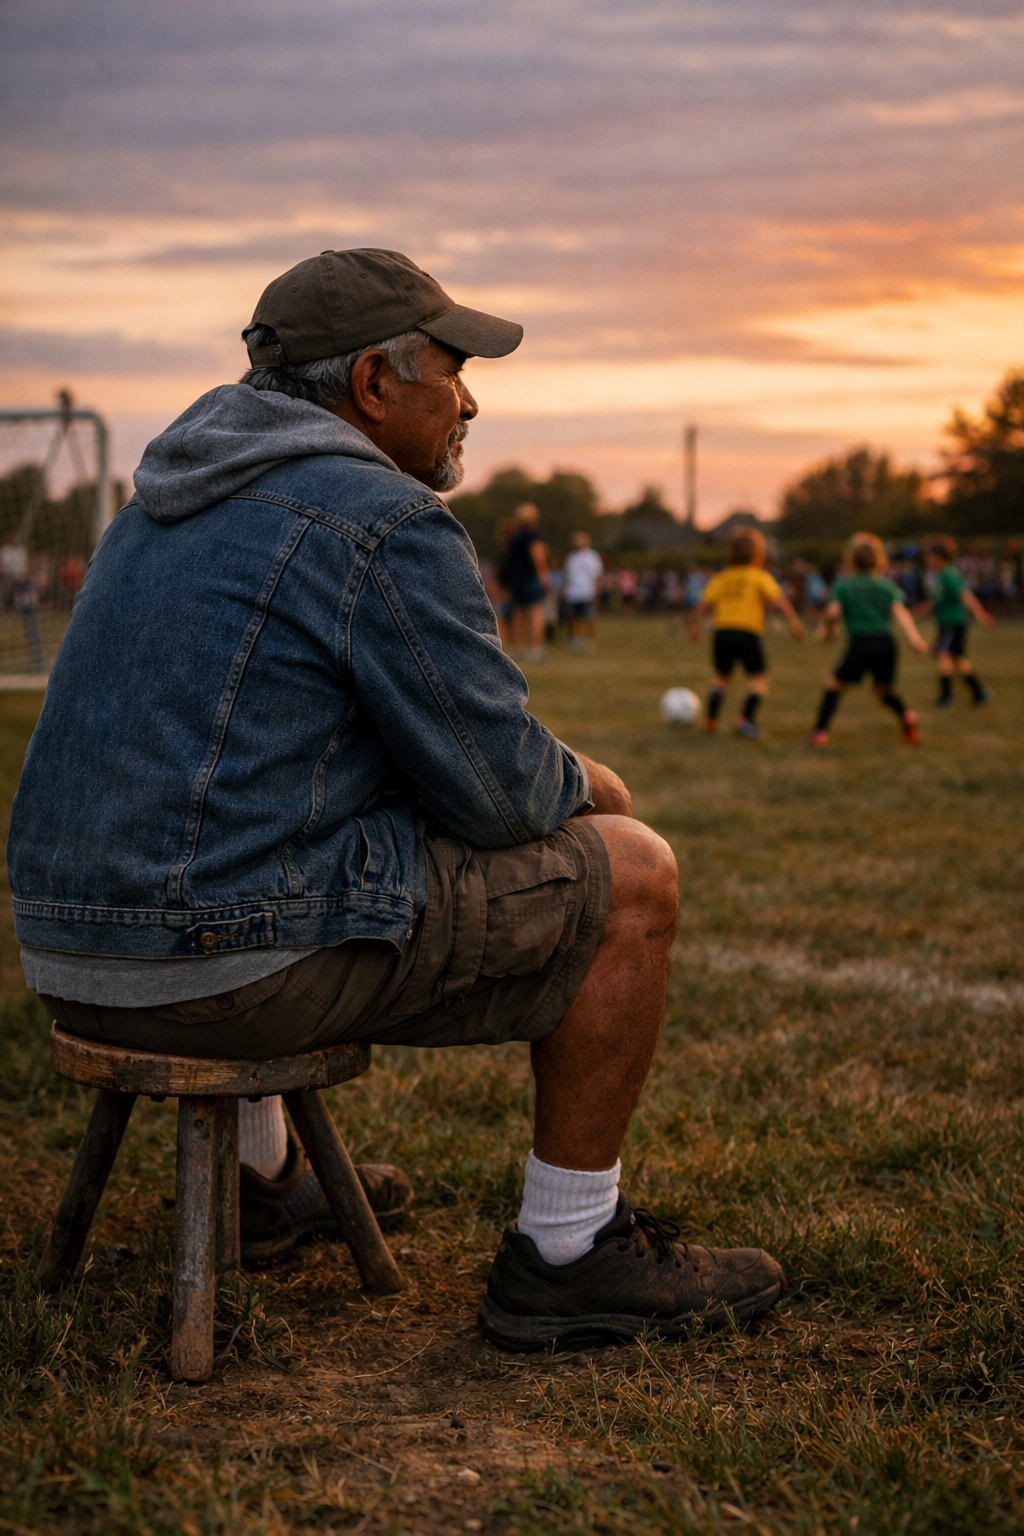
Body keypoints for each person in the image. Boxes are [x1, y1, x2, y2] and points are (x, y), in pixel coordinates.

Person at [7, 247, 783, 1349]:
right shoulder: (379, 515)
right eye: (452, 370)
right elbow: (502, 795)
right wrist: (595, 783)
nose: (469, 401)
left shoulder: (156, 503)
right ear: (373, 383)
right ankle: (569, 1251)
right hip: (217, 973)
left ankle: (265, 1179)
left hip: (72, 958)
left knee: (271, 831)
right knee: (634, 872)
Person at [808, 532, 928, 748]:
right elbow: (901, 613)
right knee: (884, 689)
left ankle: (820, 732)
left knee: (834, 686)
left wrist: (827, 630)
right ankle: (907, 715)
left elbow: (833, 612)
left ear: (850, 559)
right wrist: (915, 639)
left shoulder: (844, 585)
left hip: (861, 643)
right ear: (880, 560)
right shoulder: (886, 586)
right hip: (886, 643)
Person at [689, 529, 804, 740]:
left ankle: (710, 721)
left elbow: (702, 604)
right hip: (747, 632)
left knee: (722, 678)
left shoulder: (722, 577)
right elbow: (780, 602)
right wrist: (794, 623)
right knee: (759, 678)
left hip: (722, 632)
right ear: (758, 555)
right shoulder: (759, 577)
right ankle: (745, 720)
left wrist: (694, 626)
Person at [915, 534, 994, 707]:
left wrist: (981, 615)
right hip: (947, 623)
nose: (926, 558)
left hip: (953, 623)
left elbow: (965, 595)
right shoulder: (940, 576)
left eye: (929, 555)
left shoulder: (949, 575)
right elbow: (933, 602)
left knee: (942, 654)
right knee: (958, 658)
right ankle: (978, 692)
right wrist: (914, 613)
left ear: (938, 557)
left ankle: (947, 696)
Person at [503, 502, 550, 663]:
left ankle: (518, 648)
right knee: (536, 611)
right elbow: (538, 556)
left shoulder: (515, 537)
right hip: (530, 577)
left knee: (518, 613)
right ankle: (536, 650)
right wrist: (544, 576)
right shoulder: (532, 534)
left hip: (516, 579)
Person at [562, 530, 604, 650]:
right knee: (573, 617)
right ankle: (576, 639)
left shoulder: (592, 556)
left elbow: (598, 575)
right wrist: (564, 589)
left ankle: (590, 640)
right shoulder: (571, 557)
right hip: (573, 592)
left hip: (587, 592)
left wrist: (597, 591)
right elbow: (566, 574)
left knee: (589, 617)